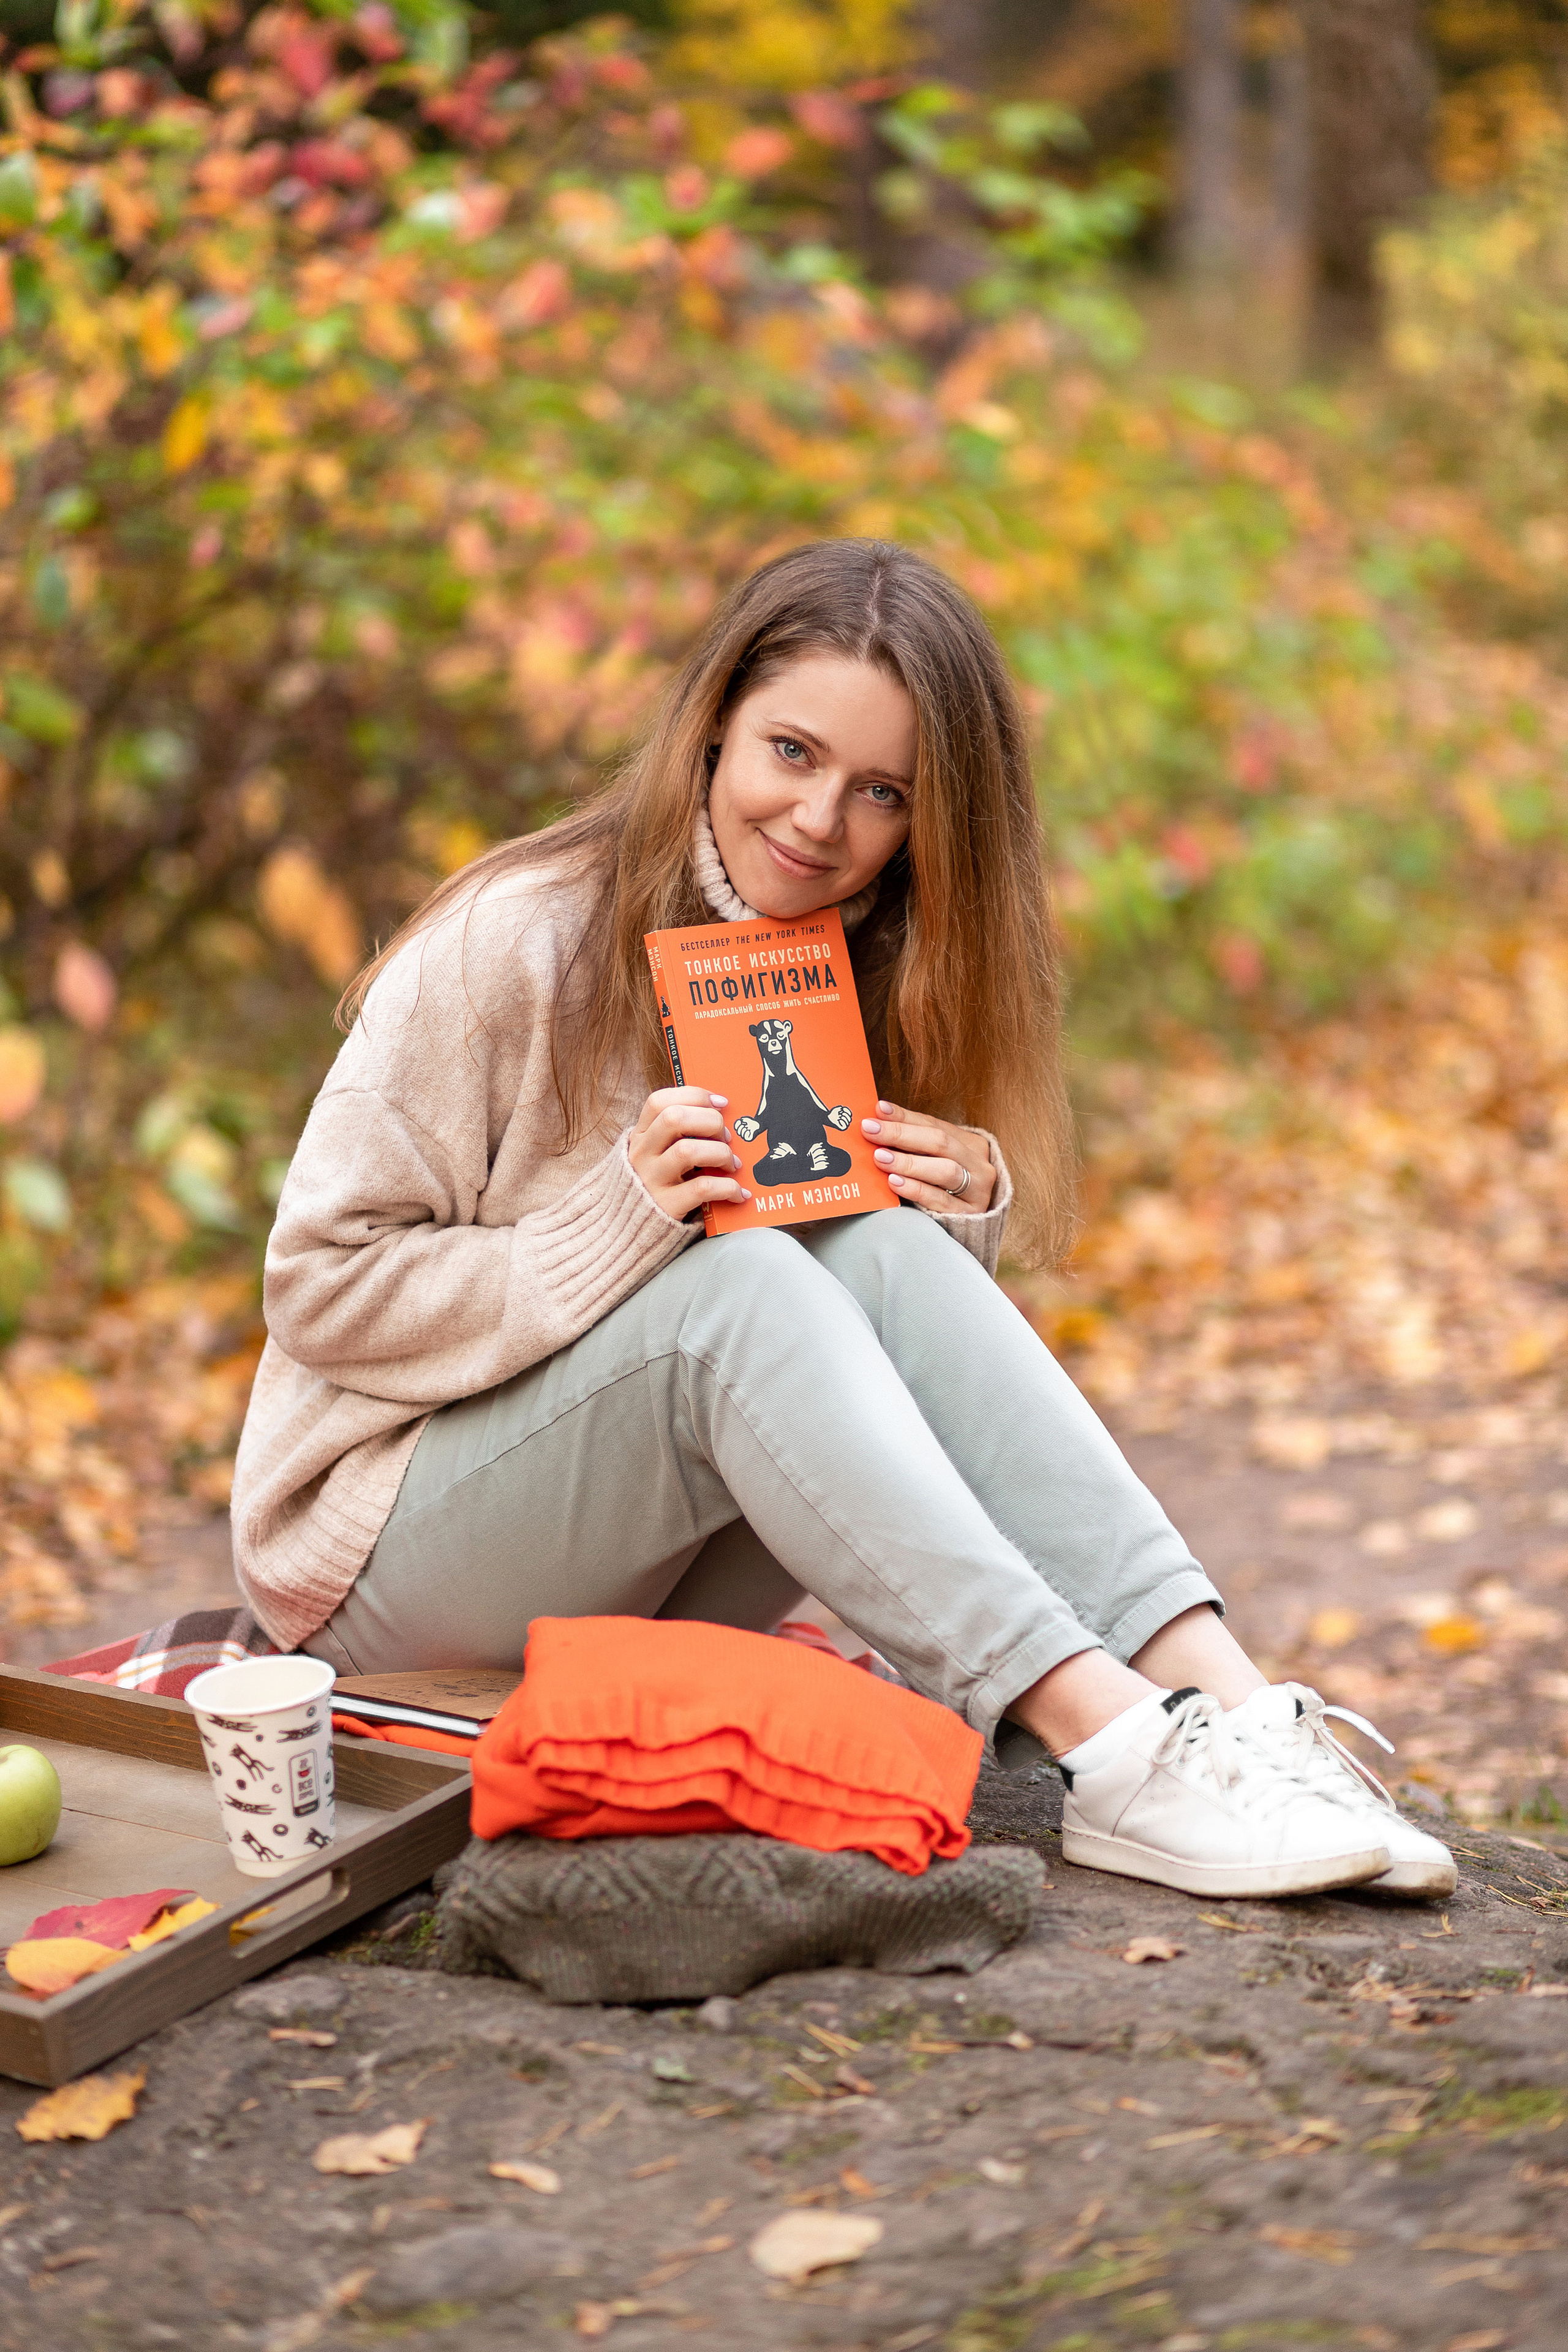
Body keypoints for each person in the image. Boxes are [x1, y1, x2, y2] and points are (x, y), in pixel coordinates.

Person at [234, 539, 1453, 1902]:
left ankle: (1227, 1707)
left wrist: (948, 1215)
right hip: (377, 1572)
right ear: (710, 731)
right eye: (791, 753)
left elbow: (856, 1358)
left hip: (661, 1560)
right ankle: (1109, 1744)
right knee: (738, 1292)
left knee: (855, 1246)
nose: (821, 821)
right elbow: (318, 1286)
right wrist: (614, 1224)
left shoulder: (846, 960)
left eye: (882, 793)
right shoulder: (510, 939)